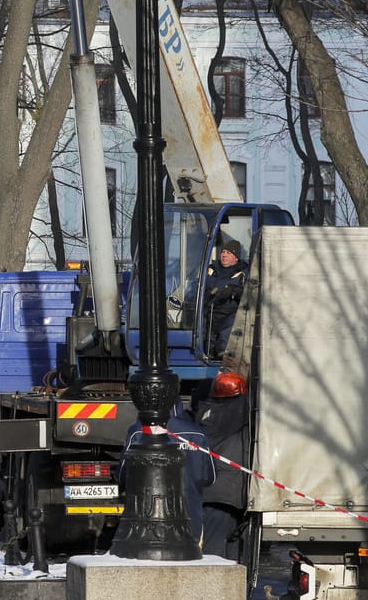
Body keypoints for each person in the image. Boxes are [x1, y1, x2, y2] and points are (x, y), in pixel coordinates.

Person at [121, 400, 214, 542]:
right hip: (190, 517)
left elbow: (123, 474)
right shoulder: (196, 433)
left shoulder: (138, 431)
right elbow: (210, 477)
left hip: (148, 520)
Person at [194, 372, 250, 559]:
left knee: (231, 558)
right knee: (216, 556)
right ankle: (212, 588)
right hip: (221, 497)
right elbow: (247, 403)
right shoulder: (224, 414)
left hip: (228, 498)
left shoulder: (210, 413)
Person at [206, 239, 248, 358]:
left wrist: (234, 290)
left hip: (230, 312)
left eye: (228, 253)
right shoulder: (210, 270)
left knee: (231, 325)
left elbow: (250, 292)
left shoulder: (244, 273)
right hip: (210, 310)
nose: (224, 255)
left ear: (236, 257)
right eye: (223, 252)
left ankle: (223, 353)